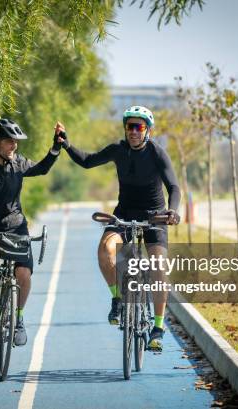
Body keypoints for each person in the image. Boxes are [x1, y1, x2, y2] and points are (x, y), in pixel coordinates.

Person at [54, 106, 181, 351]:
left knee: (158, 265)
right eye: (129, 126)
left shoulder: (157, 153)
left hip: (155, 217)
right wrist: (66, 145)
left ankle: (157, 326)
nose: (133, 131)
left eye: (139, 127)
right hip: (124, 213)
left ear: (147, 131)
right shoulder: (118, 150)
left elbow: (174, 187)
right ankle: (118, 298)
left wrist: (172, 211)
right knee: (105, 250)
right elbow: (88, 161)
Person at [0, 118, 62, 346]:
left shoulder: (18, 163)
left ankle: (19, 320)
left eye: (15, 141)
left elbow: (41, 168)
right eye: (8, 141)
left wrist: (56, 147)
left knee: (23, 274)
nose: (13, 146)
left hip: (17, 229)